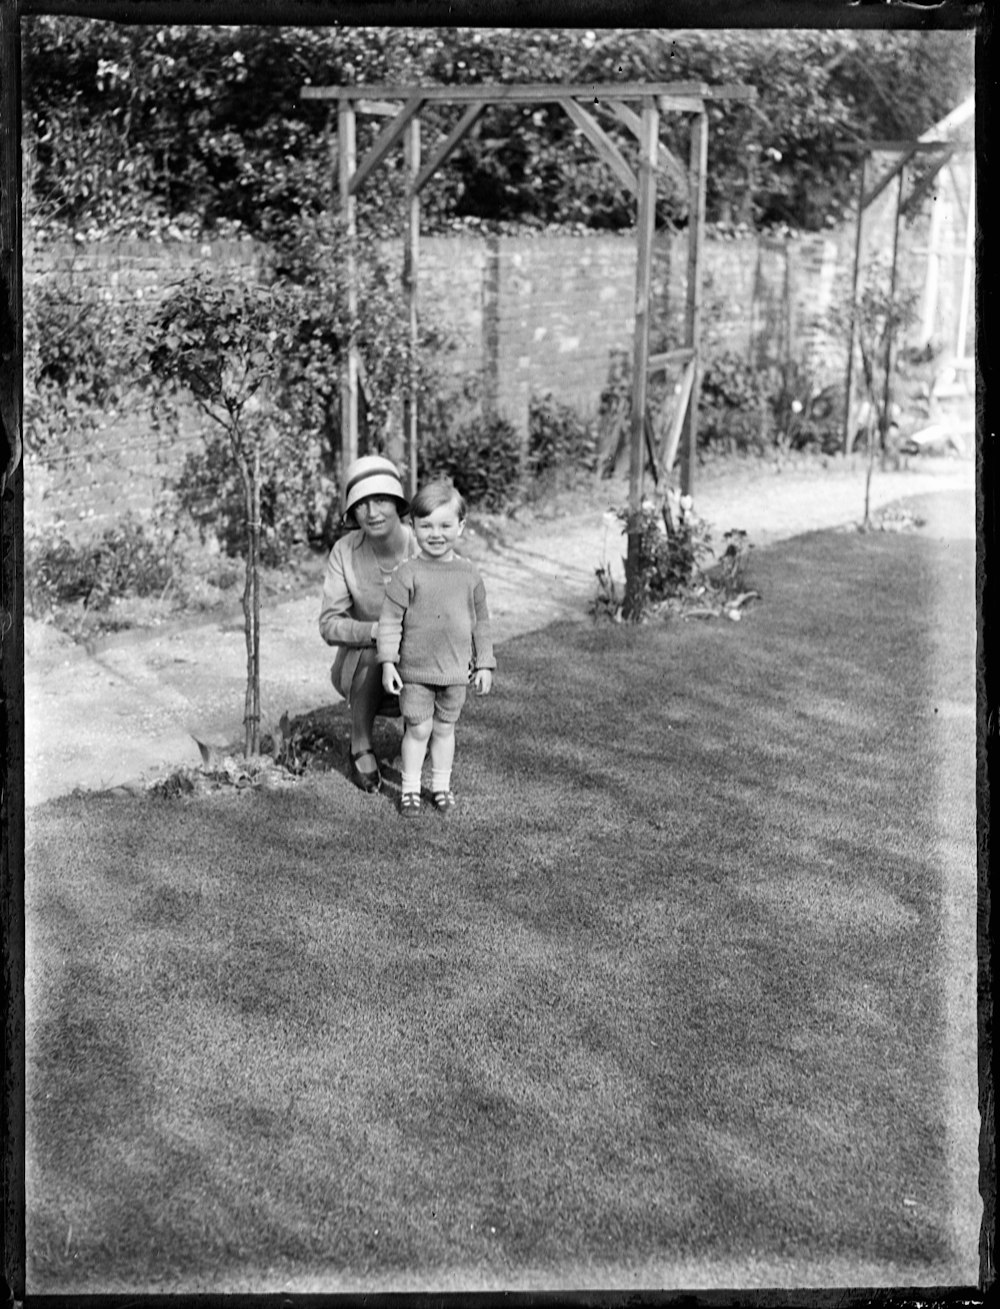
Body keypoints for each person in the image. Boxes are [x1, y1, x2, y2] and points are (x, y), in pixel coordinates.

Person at [377, 479, 495, 817]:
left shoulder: (469, 574)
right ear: (412, 527)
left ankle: (441, 787)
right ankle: (411, 789)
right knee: (418, 728)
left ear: (461, 526)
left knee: (444, 728)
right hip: (415, 671)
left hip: (456, 671)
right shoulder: (407, 573)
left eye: (445, 525)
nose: (436, 533)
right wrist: (388, 662)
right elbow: (389, 620)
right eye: (426, 525)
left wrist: (484, 662)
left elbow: (481, 622)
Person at [319, 455, 419, 793]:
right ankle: (360, 742)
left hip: (418, 660)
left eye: (381, 500)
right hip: (364, 666)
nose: (373, 512)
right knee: (375, 650)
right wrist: (373, 631)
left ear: (397, 502)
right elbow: (329, 623)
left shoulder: (423, 543)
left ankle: (420, 735)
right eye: (362, 504)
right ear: (352, 512)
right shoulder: (344, 551)